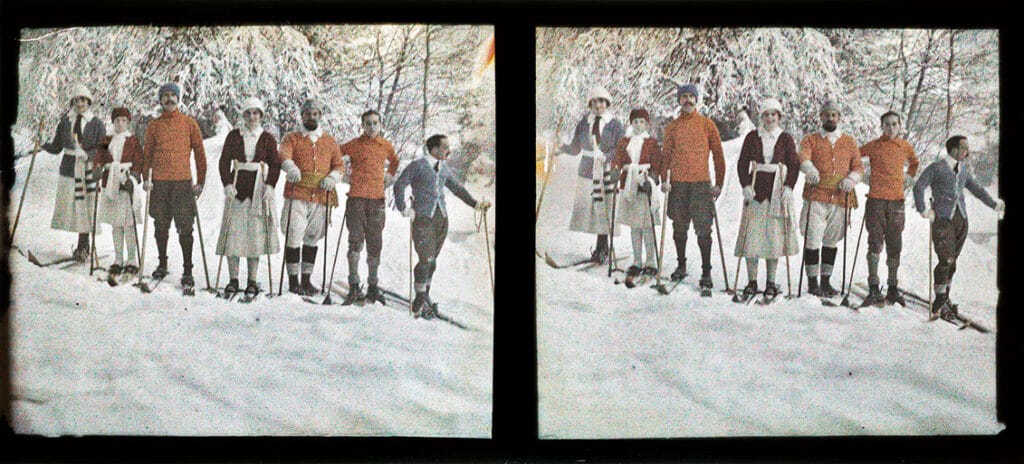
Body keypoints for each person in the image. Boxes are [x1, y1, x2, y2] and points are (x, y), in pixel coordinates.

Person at [393, 134, 491, 318]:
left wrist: (475, 204)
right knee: (426, 259)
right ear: (435, 149)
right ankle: (420, 299)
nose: (449, 151)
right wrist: (403, 208)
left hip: (441, 219)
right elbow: (400, 184)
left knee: (433, 261)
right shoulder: (418, 165)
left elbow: (458, 188)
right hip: (423, 219)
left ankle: (425, 294)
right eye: (445, 147)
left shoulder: (443, 168)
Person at [912, 135, 1004, 318]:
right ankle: (939, 302)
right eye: (964, 148)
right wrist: (923, 210)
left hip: (961, 220)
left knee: (952, 261)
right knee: (945, 260)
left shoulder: (963, 170)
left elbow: (977, 190)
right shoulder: (936, 167)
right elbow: (918, 187)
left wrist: (994, 205)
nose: (967, 152)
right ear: (953, 149)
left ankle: (945, 297)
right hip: (943, 220)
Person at [659, 83, 726, 292]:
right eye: (684, 97)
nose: (687, 100)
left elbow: (718, 155)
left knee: (704, 230)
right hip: (678, 185)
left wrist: (719, 183)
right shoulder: (673, 127)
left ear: (696, 100)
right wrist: (664, 180)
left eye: (691, 97)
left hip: (700, 186)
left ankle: (706, 271)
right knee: (679, 228)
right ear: (679, 100)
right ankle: (681, 265)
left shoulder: (707, 124)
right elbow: (666, 156)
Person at [142, 82, 208, 289]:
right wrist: (146, 178)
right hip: (160, 183)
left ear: (178, 99)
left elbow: (199, 153)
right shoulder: (154, 125)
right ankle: (162, 264)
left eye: (173, 95)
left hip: (182, 184)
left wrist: (201, 181)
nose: (169, 99)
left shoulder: (189, 123)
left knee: (185, 229)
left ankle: (188, 270)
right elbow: (147, 156)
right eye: (166, 96)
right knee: (160, 226)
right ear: (160, 100)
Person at [734, 98, 800, 300]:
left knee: (774, 236)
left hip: (776, 191)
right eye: (766, 114)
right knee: (751, 236)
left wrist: (789, 187)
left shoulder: (786, 138)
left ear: (779, 116)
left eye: (773, 114)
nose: (770, 118)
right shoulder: (753, 137)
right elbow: (742, 162)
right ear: (761, 117)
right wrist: (745, 185)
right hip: (756, 190)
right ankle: (752, 281)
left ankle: (771, 282)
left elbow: (794, 164)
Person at [215, 97, 281, 298]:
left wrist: (270, 185)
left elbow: (275, 164)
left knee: (255, 234)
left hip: (257, 188)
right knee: (233, 234)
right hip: (237, 187)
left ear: (261, 115)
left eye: (255, 113)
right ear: (243, 115)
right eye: (248, 113)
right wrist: (226, 183)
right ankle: (233, 280)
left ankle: (252, 280)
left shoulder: (267, 138)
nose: (252, 117)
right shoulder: (234, 135)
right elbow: (224, 161)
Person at [797, 101, 863, 297]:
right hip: (816, 195)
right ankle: (812, 282)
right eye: (827, 114)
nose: (830, 118)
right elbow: (803, 156)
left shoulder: (849, 142)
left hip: (840, 198)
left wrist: (852, 179)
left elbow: (859, 166)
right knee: (813, 237)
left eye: (834, 115)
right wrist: (810, 169)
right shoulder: (811, 139)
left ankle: (826, 281)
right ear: (821, 117)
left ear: (839, 118)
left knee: (831, 239)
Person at [278, 98, 344, 296]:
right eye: (308, 114)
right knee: (294, 234)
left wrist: (333, 177)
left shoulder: (329, 141)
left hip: (321, 196)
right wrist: (290, 167)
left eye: (315, 114)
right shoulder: (292, 138)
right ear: (302, 116)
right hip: (297, 193)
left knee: (313, 236)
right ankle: (293, 281)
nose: (311, 117)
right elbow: (284, 154)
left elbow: (339, 165)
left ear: (320, 116)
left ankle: (306, 280)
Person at [556, 85, 625, 264]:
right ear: (590, 104)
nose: (598, 105)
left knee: (604, 208)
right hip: (587, 171)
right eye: (594, 101)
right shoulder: (584, 123)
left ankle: (602, 248)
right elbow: (575, 148)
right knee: (590, 210)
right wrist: (561, 146)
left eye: (601, 101)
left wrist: (606, 156)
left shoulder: (615, 124)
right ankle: (602, 247)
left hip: (607, 171)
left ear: (607, 103)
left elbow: (621, 149)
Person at [857, 111, 920, 306]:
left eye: (894, 124)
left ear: (900, 126)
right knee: (875, 242)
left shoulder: (905, 146)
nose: (891, 128)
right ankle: (874, 286)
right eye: (887, 124)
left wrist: (908, 177)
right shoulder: (875, 145)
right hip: (876, 200)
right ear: (881, 126)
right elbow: (855, 155)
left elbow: (915, 162)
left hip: (897, 202)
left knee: (895, 243)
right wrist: (860, 174)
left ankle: (892, 287)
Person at [337, 109, 399, 305]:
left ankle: (373, 285)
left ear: (380, 125)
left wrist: (389, 177)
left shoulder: (385, 145)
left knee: (375, 243)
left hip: (377, 201)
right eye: (368, 123)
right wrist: (343, 175)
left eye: (375, 123)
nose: (372, 127)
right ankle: (354, 284)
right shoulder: (354, 145)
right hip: (356, 199)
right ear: (362, 125)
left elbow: (395, 162)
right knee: (355, 242)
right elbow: (335, 155)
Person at [40, 84, 106, 262]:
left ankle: (84, 246)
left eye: (83, 99)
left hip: (88, 170)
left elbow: (103, 148)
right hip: (69, 169)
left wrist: (89, 154)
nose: (80, 103)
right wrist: (42, 144)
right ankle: (81, 245)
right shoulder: (65, 122)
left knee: (85, 207)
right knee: (71, 207)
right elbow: (56, 147)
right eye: (76, 100)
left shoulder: (96, 123)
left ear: (89, 101)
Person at [610, 108, 662, 280]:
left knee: (647, 226)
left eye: (641, 121)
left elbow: (657, 165)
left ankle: (651, 261)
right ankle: (637, 261)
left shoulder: (652, 142)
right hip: (629, 185)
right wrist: (615, 171)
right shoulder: (624, 141)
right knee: (635, 226)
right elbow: (617, 159)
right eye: (635, 121)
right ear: (630, 123)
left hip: (645, 183)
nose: (638, 125)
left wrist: (652, 179)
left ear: (647, 124)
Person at [95, 107, 144, 277]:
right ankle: (118, 259)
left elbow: (139, 162)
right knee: (116, 224)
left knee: (128, 225)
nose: (120, 123)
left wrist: (134, 177)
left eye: (124, 120)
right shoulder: (106, 139)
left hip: (126, 183)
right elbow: (99, 157)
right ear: (113, 121)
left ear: (128, 122)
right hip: (111, 183)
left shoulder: (133, 140)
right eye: (117, 120)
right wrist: (98, 169)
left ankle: (132, 260)